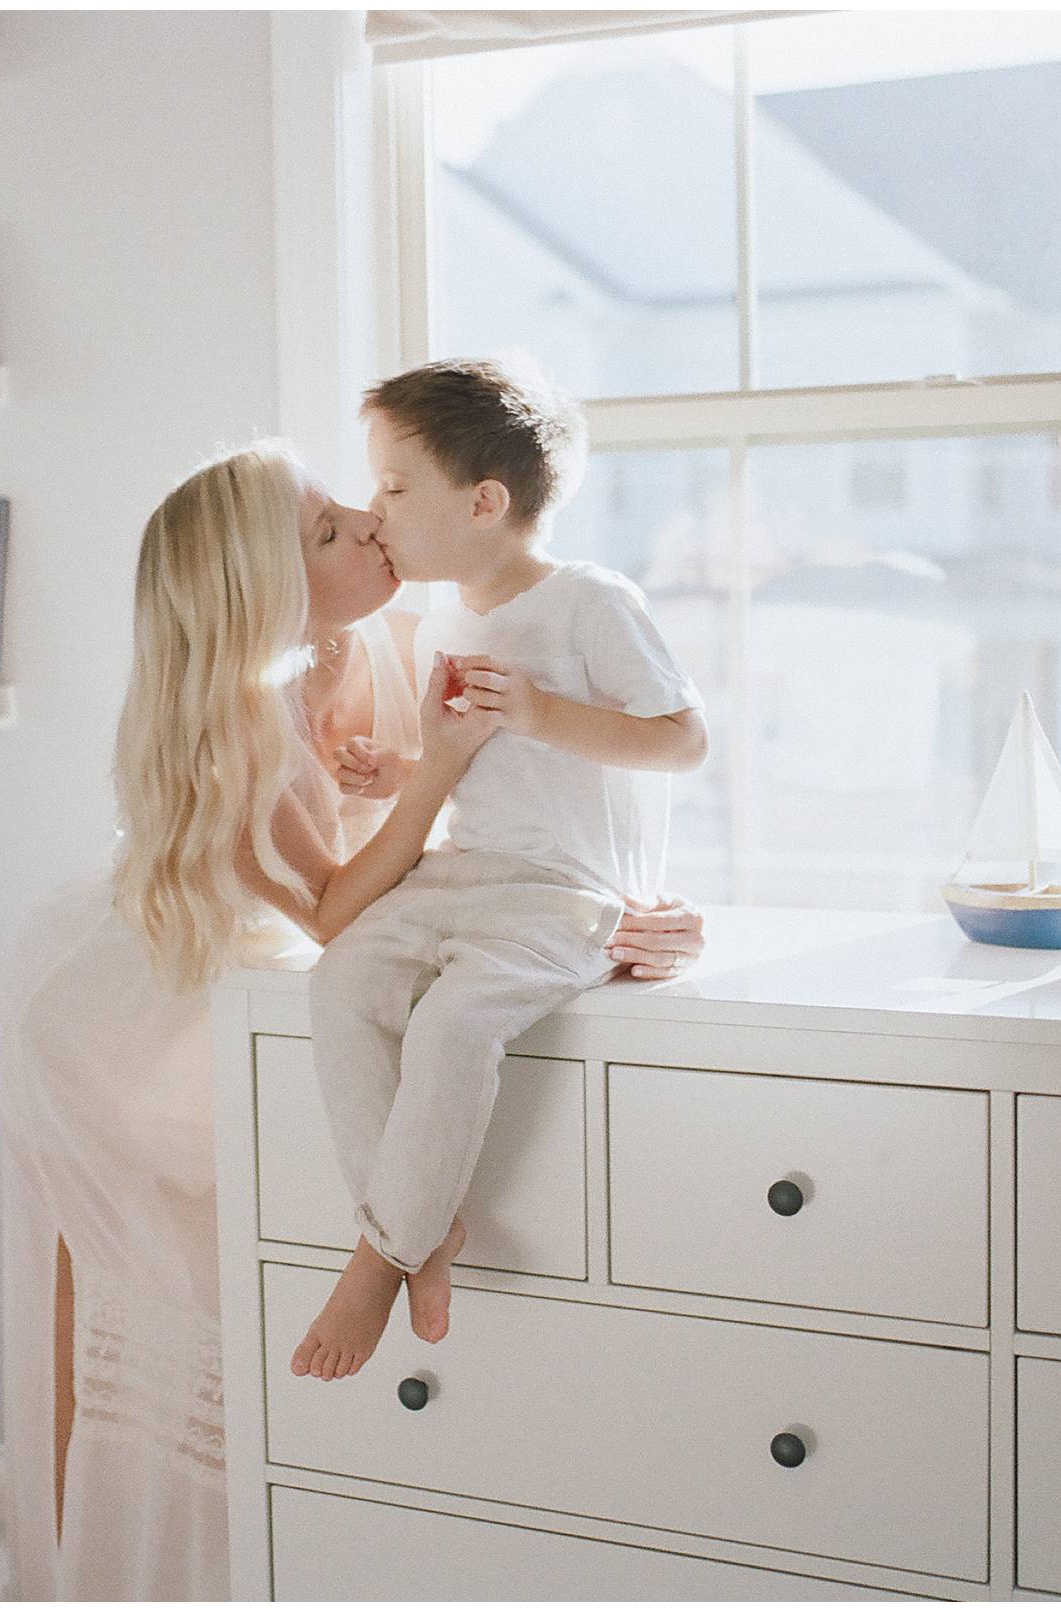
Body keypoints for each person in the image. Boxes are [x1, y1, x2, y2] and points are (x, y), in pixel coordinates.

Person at [0, 440, 706, 1599]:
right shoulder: (236, 719)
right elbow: (337, 904)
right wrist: (437, 771)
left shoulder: (377, 638)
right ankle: (116, 1560)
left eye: (349, 506)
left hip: (272, 948)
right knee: (158, 1306)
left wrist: (614, 906)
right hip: (122, 1001)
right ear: (265, 591)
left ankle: (393, 1264)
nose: (368, 527)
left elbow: (489, 826)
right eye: (329, 528)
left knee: (318, 1162)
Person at [287, 359, 708, 1382]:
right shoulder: (443, 617)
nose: (374, 511)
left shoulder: (586, 603)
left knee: (453, 1023)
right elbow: (475, 760)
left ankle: (378, 1258)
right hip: (461, 870)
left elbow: (682, 740)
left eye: (393, 488)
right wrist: (397, 770)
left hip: (561, 890)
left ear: (483, 503)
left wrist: (539, 712)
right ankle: (420, 1236)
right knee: (341, 987)